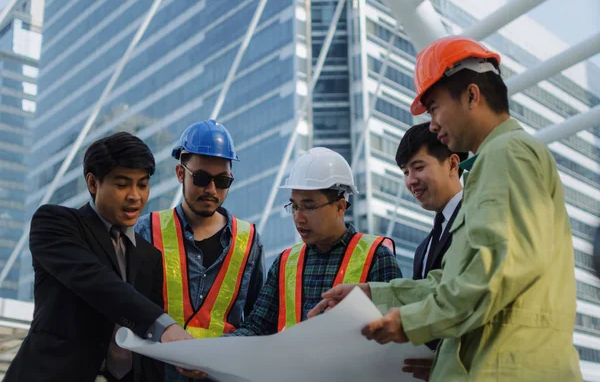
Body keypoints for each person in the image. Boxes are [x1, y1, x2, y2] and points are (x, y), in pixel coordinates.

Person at [310, 36, 582, 381]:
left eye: (434, 107)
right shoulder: (501, 158)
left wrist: (410, 322)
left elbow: (495, 273)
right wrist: (374, 294)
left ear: (472, 95)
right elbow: (456, 281)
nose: (433, 124)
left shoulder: (506, 155)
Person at [4, 132, 193, 382]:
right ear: (93, 184)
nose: (135, 196)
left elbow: (147, 354)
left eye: (143, 184)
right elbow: (97, 282)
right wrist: (163, 326)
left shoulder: (150, 257)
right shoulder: (55, 223)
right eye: (122, 184)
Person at [135, 120, 264, 382]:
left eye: (223, 180)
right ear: (180, 173)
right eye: (202, 178)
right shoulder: (148, 230)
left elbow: (257, 322)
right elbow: (129, 308)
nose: (212, 190)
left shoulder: (248, 240)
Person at [226, 147, 402, 337]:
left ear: (340, 206)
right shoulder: (285, 263)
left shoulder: (377, 257)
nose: (298, 218)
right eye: (294, 206)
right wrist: (207, 351)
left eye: (309, 207)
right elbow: (255, 328)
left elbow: (396, 332)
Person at [395, 122, 467, 379]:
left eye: (418, 167)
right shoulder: (423, 249)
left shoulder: (480, 218)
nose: (411, 181)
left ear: (452, 163)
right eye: (405, 172)